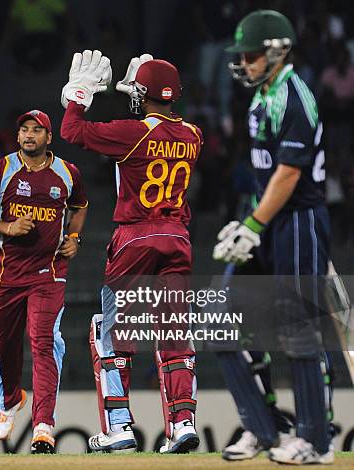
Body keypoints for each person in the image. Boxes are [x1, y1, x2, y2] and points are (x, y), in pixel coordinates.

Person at [60, 50, 203, 453]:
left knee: (112, 335)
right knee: (174, 333)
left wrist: (80, 93)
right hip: (178, 239)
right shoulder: (194, 135)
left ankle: (119, 426)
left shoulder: (132, 132)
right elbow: (157, 128)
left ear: (143, 93)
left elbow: (72, 131)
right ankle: (183, 423)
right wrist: (141, 88)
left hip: (135, 238)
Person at [213, 10, 333, 465]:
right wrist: (246, 219)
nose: (243, 62)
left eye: (250, 54)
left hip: (298, 222)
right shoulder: (263, 94)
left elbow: (289, 172)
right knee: (218, 319)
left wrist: (254, 225)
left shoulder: (295, 96)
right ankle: (265, 429)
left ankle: (315, 443)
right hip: (267, 219)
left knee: (298, 330)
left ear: (277, 50)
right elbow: (268, 176)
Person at [0, 109, 88, 454]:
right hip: (6, 276)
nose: (29, 134)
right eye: (24, 130)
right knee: (6, 344)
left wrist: (75, 237)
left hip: (49, 274)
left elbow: (80, 206)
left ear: (49, 137)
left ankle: (44, 426)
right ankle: (10, 399)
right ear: (17, 136)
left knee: (43, 340)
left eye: (37, 130)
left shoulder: (67, 172)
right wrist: (7, 227)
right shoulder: (0, 171)